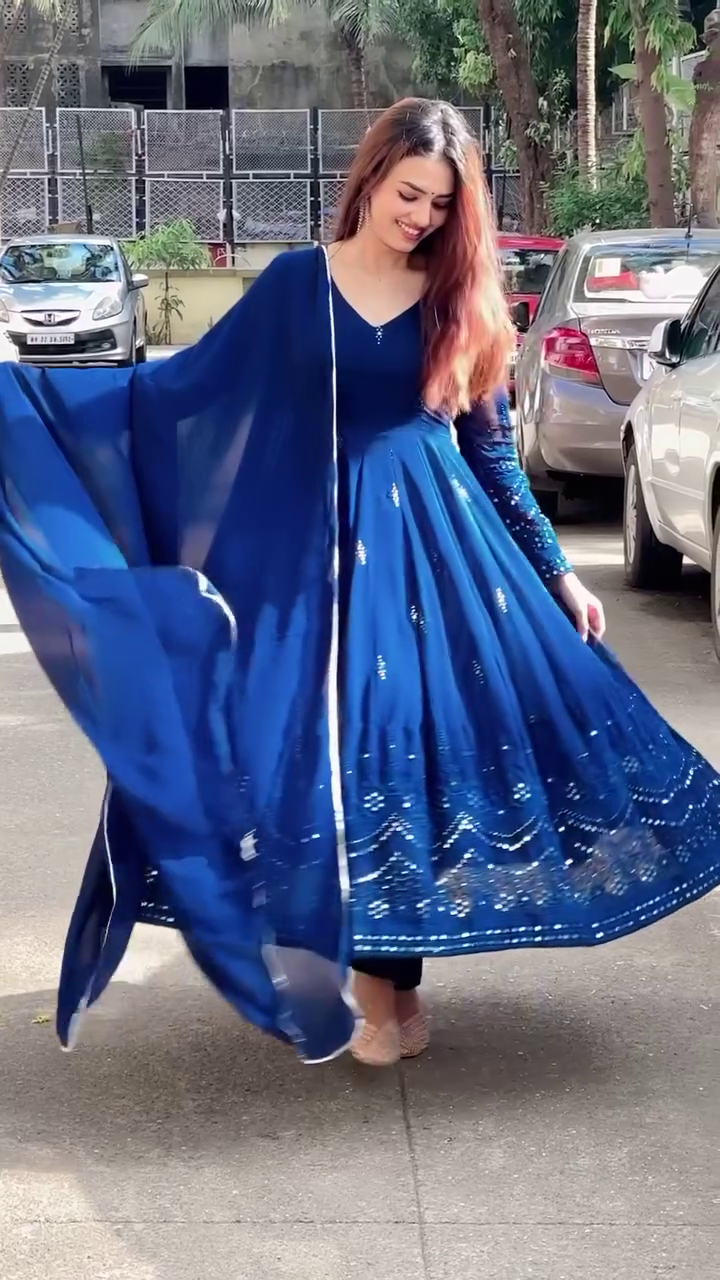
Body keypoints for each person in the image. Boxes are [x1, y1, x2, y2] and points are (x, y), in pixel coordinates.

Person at [1, 99, 719, 1070]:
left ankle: (389, 990)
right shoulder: (295, 285)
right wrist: (30, 405)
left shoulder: (460, 297)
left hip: (434, 550)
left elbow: (489, 451)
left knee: (399, 753)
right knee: (323, 753)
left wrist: (556, 571)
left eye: (441, 203)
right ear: (372, 177)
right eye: (408, 193)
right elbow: (180, 393)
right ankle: (381, 989)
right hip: (304, 551)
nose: (420, 216)